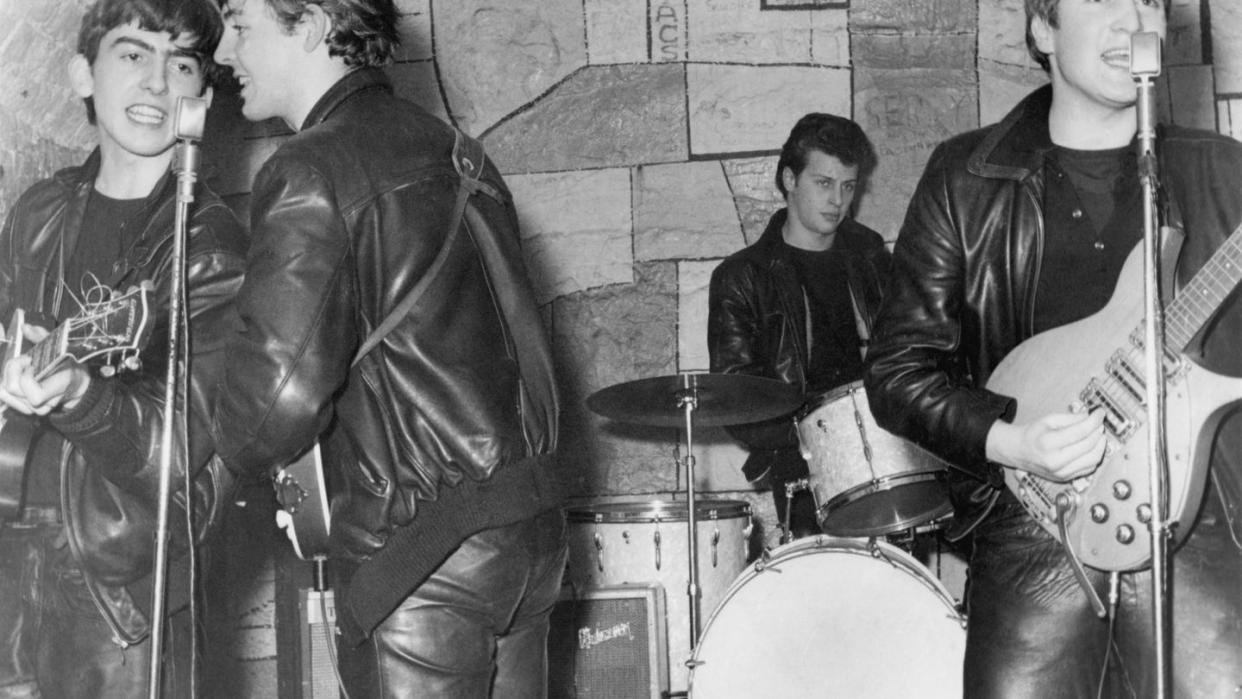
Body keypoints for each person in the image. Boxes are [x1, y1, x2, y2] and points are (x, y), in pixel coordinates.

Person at [864, 0, 1242, 696]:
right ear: (1043, 28)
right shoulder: (966, 178)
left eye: (1150, 2)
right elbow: (896, 370)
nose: (1134, 19)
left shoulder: (1223, 172)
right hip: (1037, 530)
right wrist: (1012, 441)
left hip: (1200, 529)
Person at [209, 1, 567, 696]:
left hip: (424, 563)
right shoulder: (460, 151)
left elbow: (272, 407)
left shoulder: (310, 167)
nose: (224, 52)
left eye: (241, 24)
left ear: (309, 25)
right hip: (528, 541)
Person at [0, 0, 246, 696]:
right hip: (18, 575)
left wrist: (83, 396)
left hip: (125, 599)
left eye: (184, 63)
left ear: (202, 95)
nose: (159, 83)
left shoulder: (209, 248)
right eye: (134, 54)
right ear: (83, 74)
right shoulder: (40, 214)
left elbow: (176, 456)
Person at [707, 113, 890, 539]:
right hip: (801, 461)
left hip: (884, 445)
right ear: (790, 179)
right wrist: (826, 432)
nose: (838, 201)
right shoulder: (744, 277)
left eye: (848, 186)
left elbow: (907, 348)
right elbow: (739, 403)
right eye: (823, 183)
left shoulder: (869, 254)